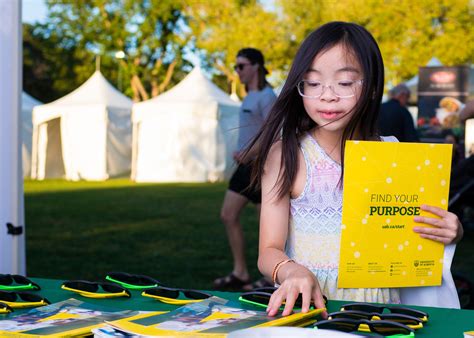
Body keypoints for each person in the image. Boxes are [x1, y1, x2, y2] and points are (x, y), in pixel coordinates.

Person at [242, 22, 464, 317]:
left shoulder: (392, 150)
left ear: (372, 88)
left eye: (345, 83)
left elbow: (410, 233)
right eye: (312, 82)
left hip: (382, 311)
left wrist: (450, 231)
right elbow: (268, 250)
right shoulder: (286, 154)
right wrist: (290, 271)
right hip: (311, 307)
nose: (328, 95)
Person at [213, 48, 277, 290]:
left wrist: (249, 153)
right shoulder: (249, 95)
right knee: (228, 215)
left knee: (268, 227)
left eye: (241, 66)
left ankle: (271, 278)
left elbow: (272, 133)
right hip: (244, 166)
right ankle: (240, 272)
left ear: (256, 66)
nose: (237, 71)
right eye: (236, 66)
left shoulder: (267, 96)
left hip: (260, 168)